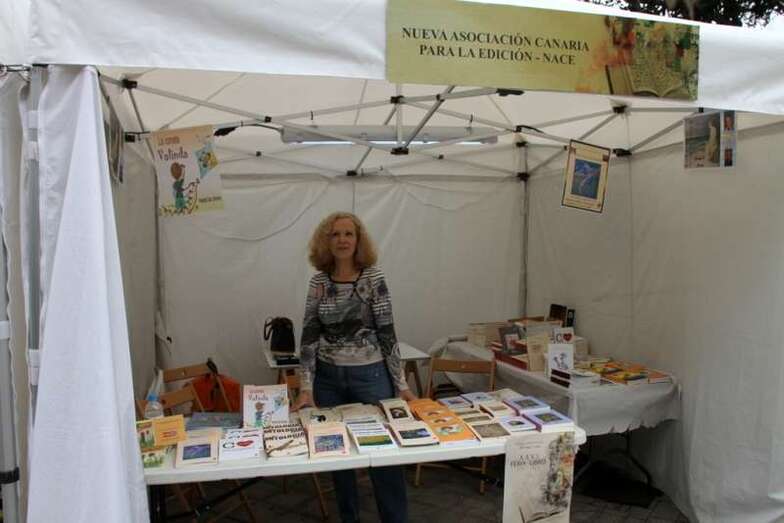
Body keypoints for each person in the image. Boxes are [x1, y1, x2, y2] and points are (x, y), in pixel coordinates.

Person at [292, 211, 415, 523]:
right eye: (335, 234)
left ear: (359, 240)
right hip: (328, 380)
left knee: (385, 455)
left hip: (371, 378)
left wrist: (400, 384)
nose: (342, 240)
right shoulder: (318, 282)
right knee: (338, 456)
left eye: (349, 234)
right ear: (326, 241)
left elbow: (387, 333)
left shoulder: (373, 278)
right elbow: (309, 336)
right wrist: (305, 387)